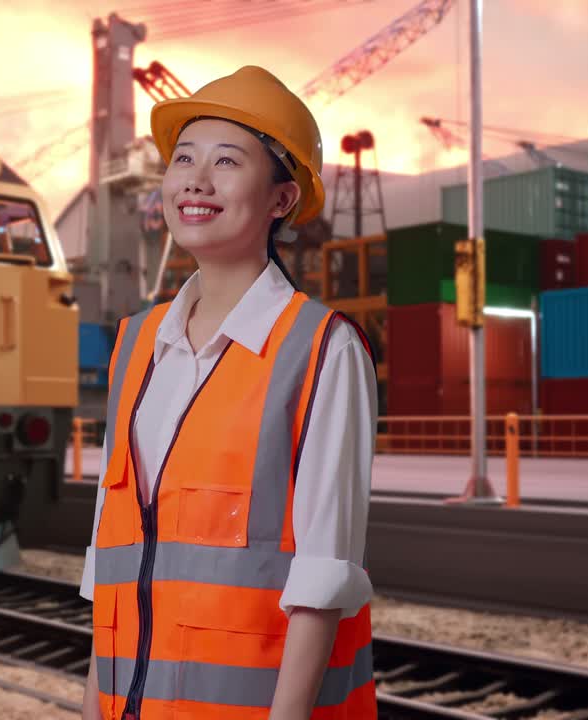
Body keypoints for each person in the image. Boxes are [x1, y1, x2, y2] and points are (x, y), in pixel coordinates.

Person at [79, 65, 378, 720]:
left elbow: (323, 581)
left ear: (281, 201)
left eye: (226, 161)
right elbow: (110, 556)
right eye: (183, 158)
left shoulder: (322, 351)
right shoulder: (136, 345)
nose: (195, 178)